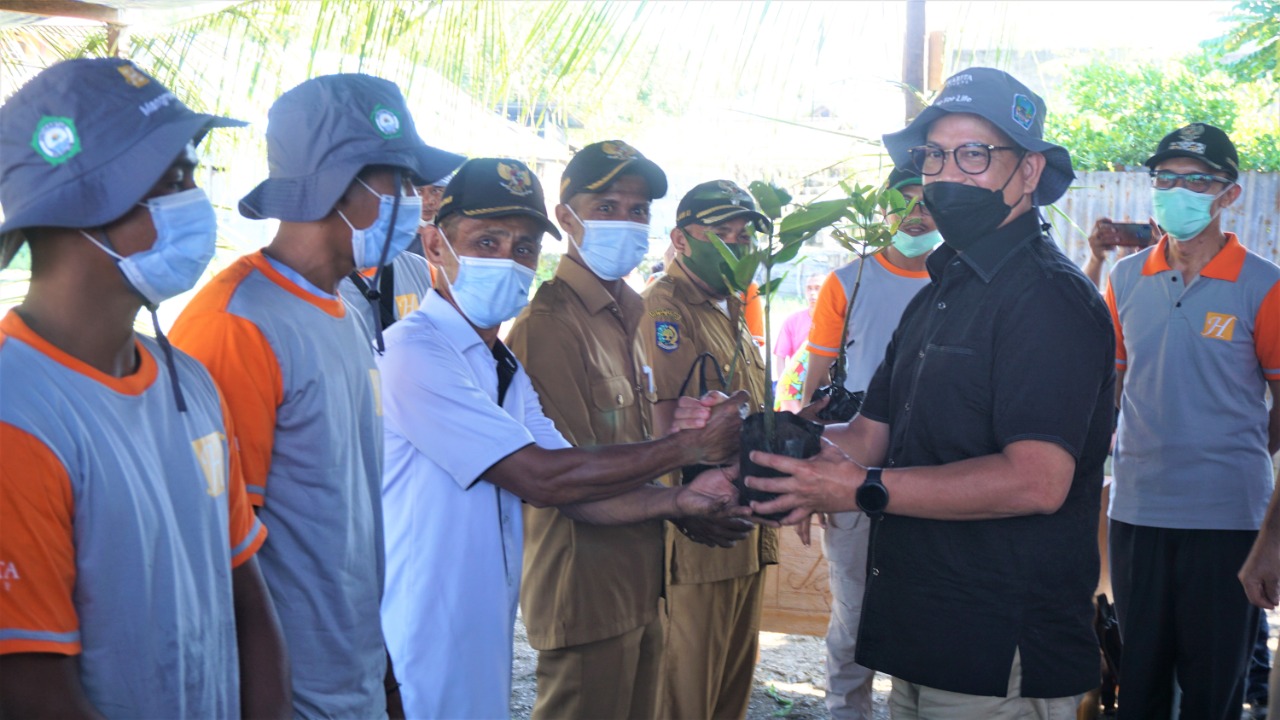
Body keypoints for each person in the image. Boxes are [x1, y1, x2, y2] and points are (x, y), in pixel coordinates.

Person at [737, 67, 1115, 717]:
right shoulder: (939, 293)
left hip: (998, 649)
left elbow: (1036, 481)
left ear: (1028, 172)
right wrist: (771, 446)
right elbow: (868, 436)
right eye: (934, 155)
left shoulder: (1048, 299)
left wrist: (858, 489)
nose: (946, 174)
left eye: (973, 154)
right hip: (920, 632)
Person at [378, 157, 750, 719]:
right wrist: (690, 449)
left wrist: (679, 500)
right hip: (421, 623)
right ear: (434, 246)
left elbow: (575, 482)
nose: (507, 261)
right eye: (486, 241)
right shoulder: (414, 351)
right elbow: (542, 478)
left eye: (523, 248)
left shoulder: (500, 364)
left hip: (482, 616)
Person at [0, 58, 288, 718]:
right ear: (86, 199)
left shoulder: (189, 381)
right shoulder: (15, 417)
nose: (195, 197)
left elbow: (246, 600)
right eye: (172, 178)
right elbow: (29, 687)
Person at [171, 73, 463, 718]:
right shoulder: (237, 325)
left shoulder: (343, 308)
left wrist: (382, 678)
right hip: (286, 696)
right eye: (402, 182)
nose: (417, 203)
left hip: (351, 683)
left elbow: (347, 528)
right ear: (339, 181)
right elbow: (218, 558)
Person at [1106, 122, 1280, 720]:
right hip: (1136, 510)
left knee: (1213, 691)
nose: (1178, 191)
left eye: (1197, 180)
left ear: (1228, 193)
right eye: (1167, 179)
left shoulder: (1266, 286)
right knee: (1139, 685)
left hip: (1227, 519)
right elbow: (1116, 384)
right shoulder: (1125, 278)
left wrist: (1267, 530)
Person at [504, 140, 674, 719]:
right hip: (585, 589)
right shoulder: (549, 325)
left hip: (638, 580)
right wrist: (686, 497)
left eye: (638, 210)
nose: (626, 222)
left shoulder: (630, 312)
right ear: (566, 217)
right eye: (606, 207)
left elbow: (634, 448)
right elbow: (570, 485)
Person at [799, 166, 937, 720]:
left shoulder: (961, 281)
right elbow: (817, 378)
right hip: (851, 453)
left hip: (930, 460)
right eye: (903, 203)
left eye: (927, 203)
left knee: (924, 605)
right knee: (854, 608)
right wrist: (808, 463)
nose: (916, 214)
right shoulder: (847, 280)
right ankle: (846, 711)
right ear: (881, 210)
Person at [641, 179, 775, 720]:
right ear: (679, 238)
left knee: (727, 697)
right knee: (685, 698)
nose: (736, 247)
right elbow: (664, 431)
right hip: (696, 536)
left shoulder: (733, 311)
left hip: (743, 530)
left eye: (744, 237)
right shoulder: (665, 311)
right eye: (720, 234)